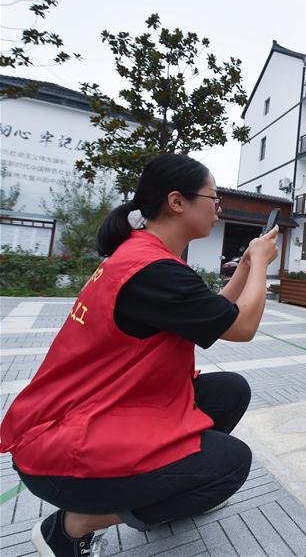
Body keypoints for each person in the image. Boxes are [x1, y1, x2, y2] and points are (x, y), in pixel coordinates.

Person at [0, 154, 280, 557]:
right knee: (231, 465)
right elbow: (243, 327)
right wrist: (261, 269)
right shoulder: (153, 270)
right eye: (213, 198)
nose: (218, 209)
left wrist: (247, 265)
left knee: (229, 390)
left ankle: (168, 491)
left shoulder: (145, 258)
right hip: (60, 451)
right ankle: (72, 525)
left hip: (87, 414)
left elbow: (216, 314)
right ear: (177, 202)